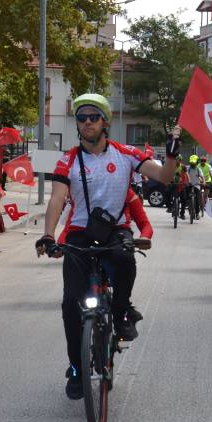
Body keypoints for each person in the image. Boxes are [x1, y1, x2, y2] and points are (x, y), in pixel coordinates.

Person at [35, 93, 175, 400]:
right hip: (79, 233)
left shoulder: (125, 154)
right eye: (81, 119)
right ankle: (76, 368)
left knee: (125, 258)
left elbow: (165, 176)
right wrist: (48, 235)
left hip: (115, 230)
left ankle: (122, 310)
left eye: (93, 118)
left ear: (104, 122)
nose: (87, 123)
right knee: (71, 304)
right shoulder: (68, 159)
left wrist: (173, 151)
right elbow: (57, 199)